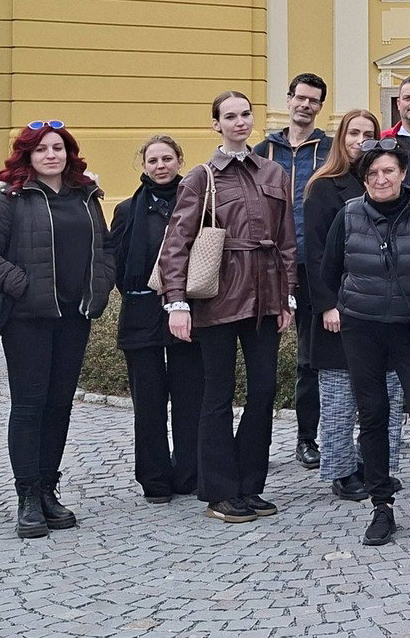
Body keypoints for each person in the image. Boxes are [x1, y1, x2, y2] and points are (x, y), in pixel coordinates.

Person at [0, 122, 116, 538]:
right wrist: (24, 286)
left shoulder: (86, 197)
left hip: (74, 317)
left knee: (59, 405)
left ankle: (49, 488)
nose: (52, 155)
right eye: (42, 149)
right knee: (30, 405)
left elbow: (105, 249)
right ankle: (27, 496)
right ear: (28, 156)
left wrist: (100, 286)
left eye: (58, 148)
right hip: (28, 321)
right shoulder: (10, 200)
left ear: (69, 154)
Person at [157, 92, 298, 525]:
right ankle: (220, 490)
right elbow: (177, 242)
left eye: (246, 114)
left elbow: (287, 240)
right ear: (216, 124)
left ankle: (250, 484)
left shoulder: (273, 172)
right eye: (230, 116)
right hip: (217, 296)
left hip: (266, 297)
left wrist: (288, 295)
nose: (240, 122)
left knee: (264, 390)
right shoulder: (201, 177)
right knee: (217, 393)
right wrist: (176, 302)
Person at [322, 139, 410, 546]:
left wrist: (407, 299)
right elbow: (329, 271)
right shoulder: (348, 215)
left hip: (408, 328)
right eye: (372, 173)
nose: (381, 179)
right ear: (364, 178)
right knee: (374, 415)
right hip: (361, 328)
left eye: (388, 171)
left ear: (402, 173)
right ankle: (382, 506)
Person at [302, 109, 404, 502]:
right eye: (353, 133)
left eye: (368, 133)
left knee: (384, 395)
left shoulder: (384, 183)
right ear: (340, 137)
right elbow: (314, 253)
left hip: (383, 307)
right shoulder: (324, 187)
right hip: (340, 308)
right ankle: (342, 471)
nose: (360, 141)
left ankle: (375, 466)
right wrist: (327, 305)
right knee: (340, 399)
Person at [108, 134, 203, 504]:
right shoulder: (127, 210)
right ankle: (155, 479)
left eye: (167, 159)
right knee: (148, 403)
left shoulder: (196, 203)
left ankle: (189, 473)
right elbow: (118, 263)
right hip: (141, 313)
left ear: (179, 160)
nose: (160, 166)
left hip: (189, 310)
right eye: (153, 160)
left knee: (189, 397)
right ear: (144, 166)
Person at [256, 72, 333, 471]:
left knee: (309, 359)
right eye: (300, 98)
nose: (305, 105)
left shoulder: (331, 152)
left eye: (313, 100)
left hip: (311, 265)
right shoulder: (261, 151)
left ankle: (307, 438)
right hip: (266, 268)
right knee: (261, 360)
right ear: (288, 100)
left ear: (320, 106)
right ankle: (257, 443)